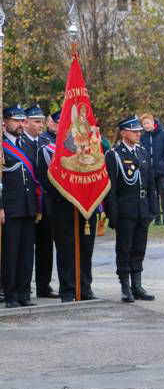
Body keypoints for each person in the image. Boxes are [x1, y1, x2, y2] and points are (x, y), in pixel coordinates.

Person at [35, 111, 98, 303]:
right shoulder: (47, 150)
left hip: (87, 204)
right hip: (63, 206)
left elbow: (98, 173)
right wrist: (70, 195)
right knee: (66, 250)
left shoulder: (91, 148)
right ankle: (69, 290)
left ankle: (85, 288)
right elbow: (45, 181)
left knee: (86, 249)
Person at [104, 116, 158, 304]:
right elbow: (111, 189)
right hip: (125, 209)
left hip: (142, 209)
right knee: (124, 249)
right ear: (123, 133)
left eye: (139, 131)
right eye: (134, 131)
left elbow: (151, 183)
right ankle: (125, 286)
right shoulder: (114, 155)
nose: (138, 134)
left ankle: (137, 284)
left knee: (139, 249)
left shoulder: (142, 152)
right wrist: (113, 214)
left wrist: (153, 209)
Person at [1, 104, 39, 308]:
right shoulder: (1, 146)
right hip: (11, 207)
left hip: (28, 206)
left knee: (26, 253)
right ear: (5, 122)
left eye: (22, 120)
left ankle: (24, 292)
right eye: (16, 121)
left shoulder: (27, 144)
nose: (20, 124)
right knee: (11, 253)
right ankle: (11, 294)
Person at [25, 104, 58, 299]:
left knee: (46, 246)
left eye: (41, 122)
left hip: (45, 203)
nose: (40, 125)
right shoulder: (19, 144)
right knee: (27, 248)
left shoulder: (45, 143)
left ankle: (43, 285)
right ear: (26, 122)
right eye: (36, 121)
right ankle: (24, 285)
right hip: (29, 203)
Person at [140, 113, 164, 225]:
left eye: (148, 123)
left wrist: (163, 164)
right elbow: (140, 152)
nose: (146, 125)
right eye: (144, 124)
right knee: (153, 195)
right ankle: (156, 218)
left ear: (153, 122)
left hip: (163, 171)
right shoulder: (142, 136)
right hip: (149, 172)